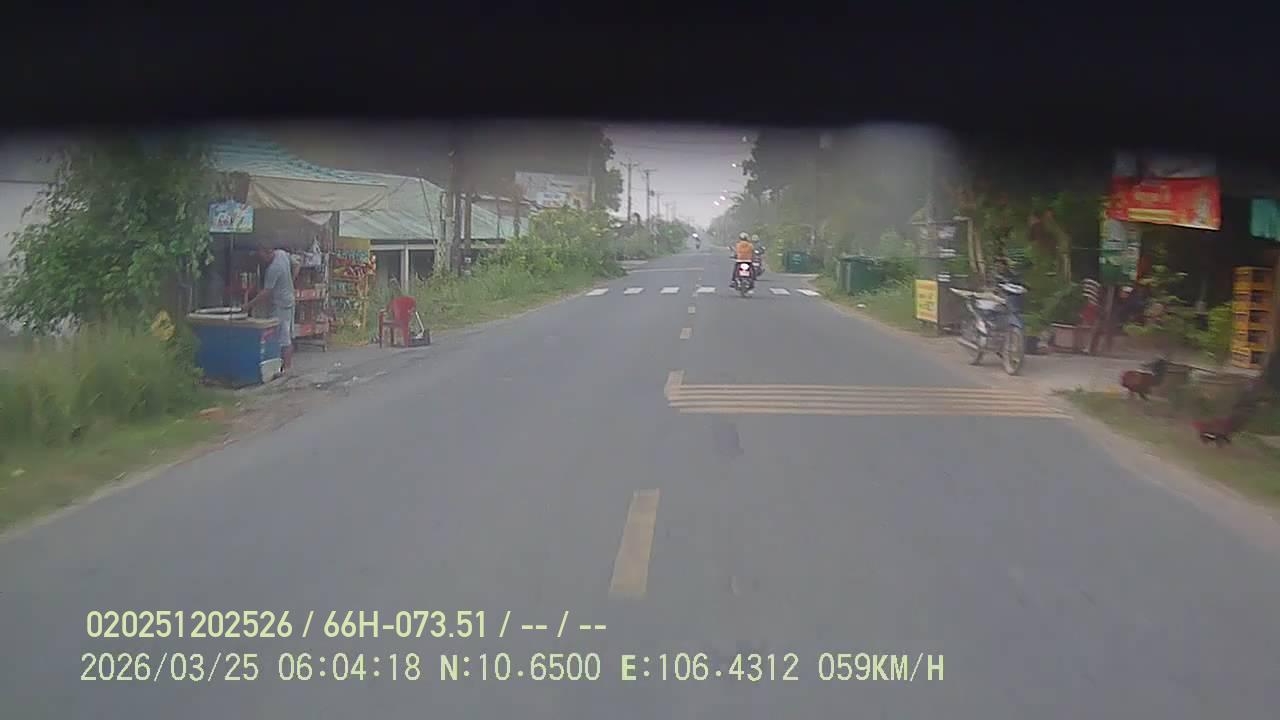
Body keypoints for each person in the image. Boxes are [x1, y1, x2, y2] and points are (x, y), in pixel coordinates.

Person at [244, 245, 298, 373]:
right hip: (288, 300)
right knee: (285, 335)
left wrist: (248, 305)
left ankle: (286, 368)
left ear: (267, 252)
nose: (261, 259)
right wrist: (291, 281)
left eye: (261, 255)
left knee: (283, 338)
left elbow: (266, 292)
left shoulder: (274, 269)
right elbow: (297, 263)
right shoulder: (282, 254)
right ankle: (284, 367)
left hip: (281, 304)